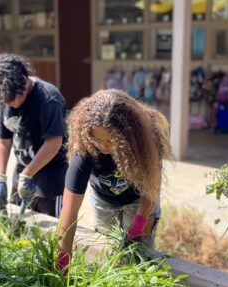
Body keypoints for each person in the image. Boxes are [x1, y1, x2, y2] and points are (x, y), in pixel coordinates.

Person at [56, 89, 171, 273]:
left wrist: (140, 221)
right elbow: (69, 211)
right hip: (104, 201)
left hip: (138, 199)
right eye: (97, 139)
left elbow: (152, 187)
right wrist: (63, 258)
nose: (103, 146)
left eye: (110, 140)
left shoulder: (145, 141)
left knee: (139, 257)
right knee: (109, 251)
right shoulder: (85, 150)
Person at [0, 54, 68, 218]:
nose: (8, 104)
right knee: (18, 225)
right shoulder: (6, 96)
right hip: (23, 171)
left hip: (51, 177)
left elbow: (54, 143)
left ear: (23, 82)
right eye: (4, 101)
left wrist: (28, 173)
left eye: (11, 100)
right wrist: (0, 176)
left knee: (50, 230)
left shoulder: (48, 99)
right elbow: (4, 141)